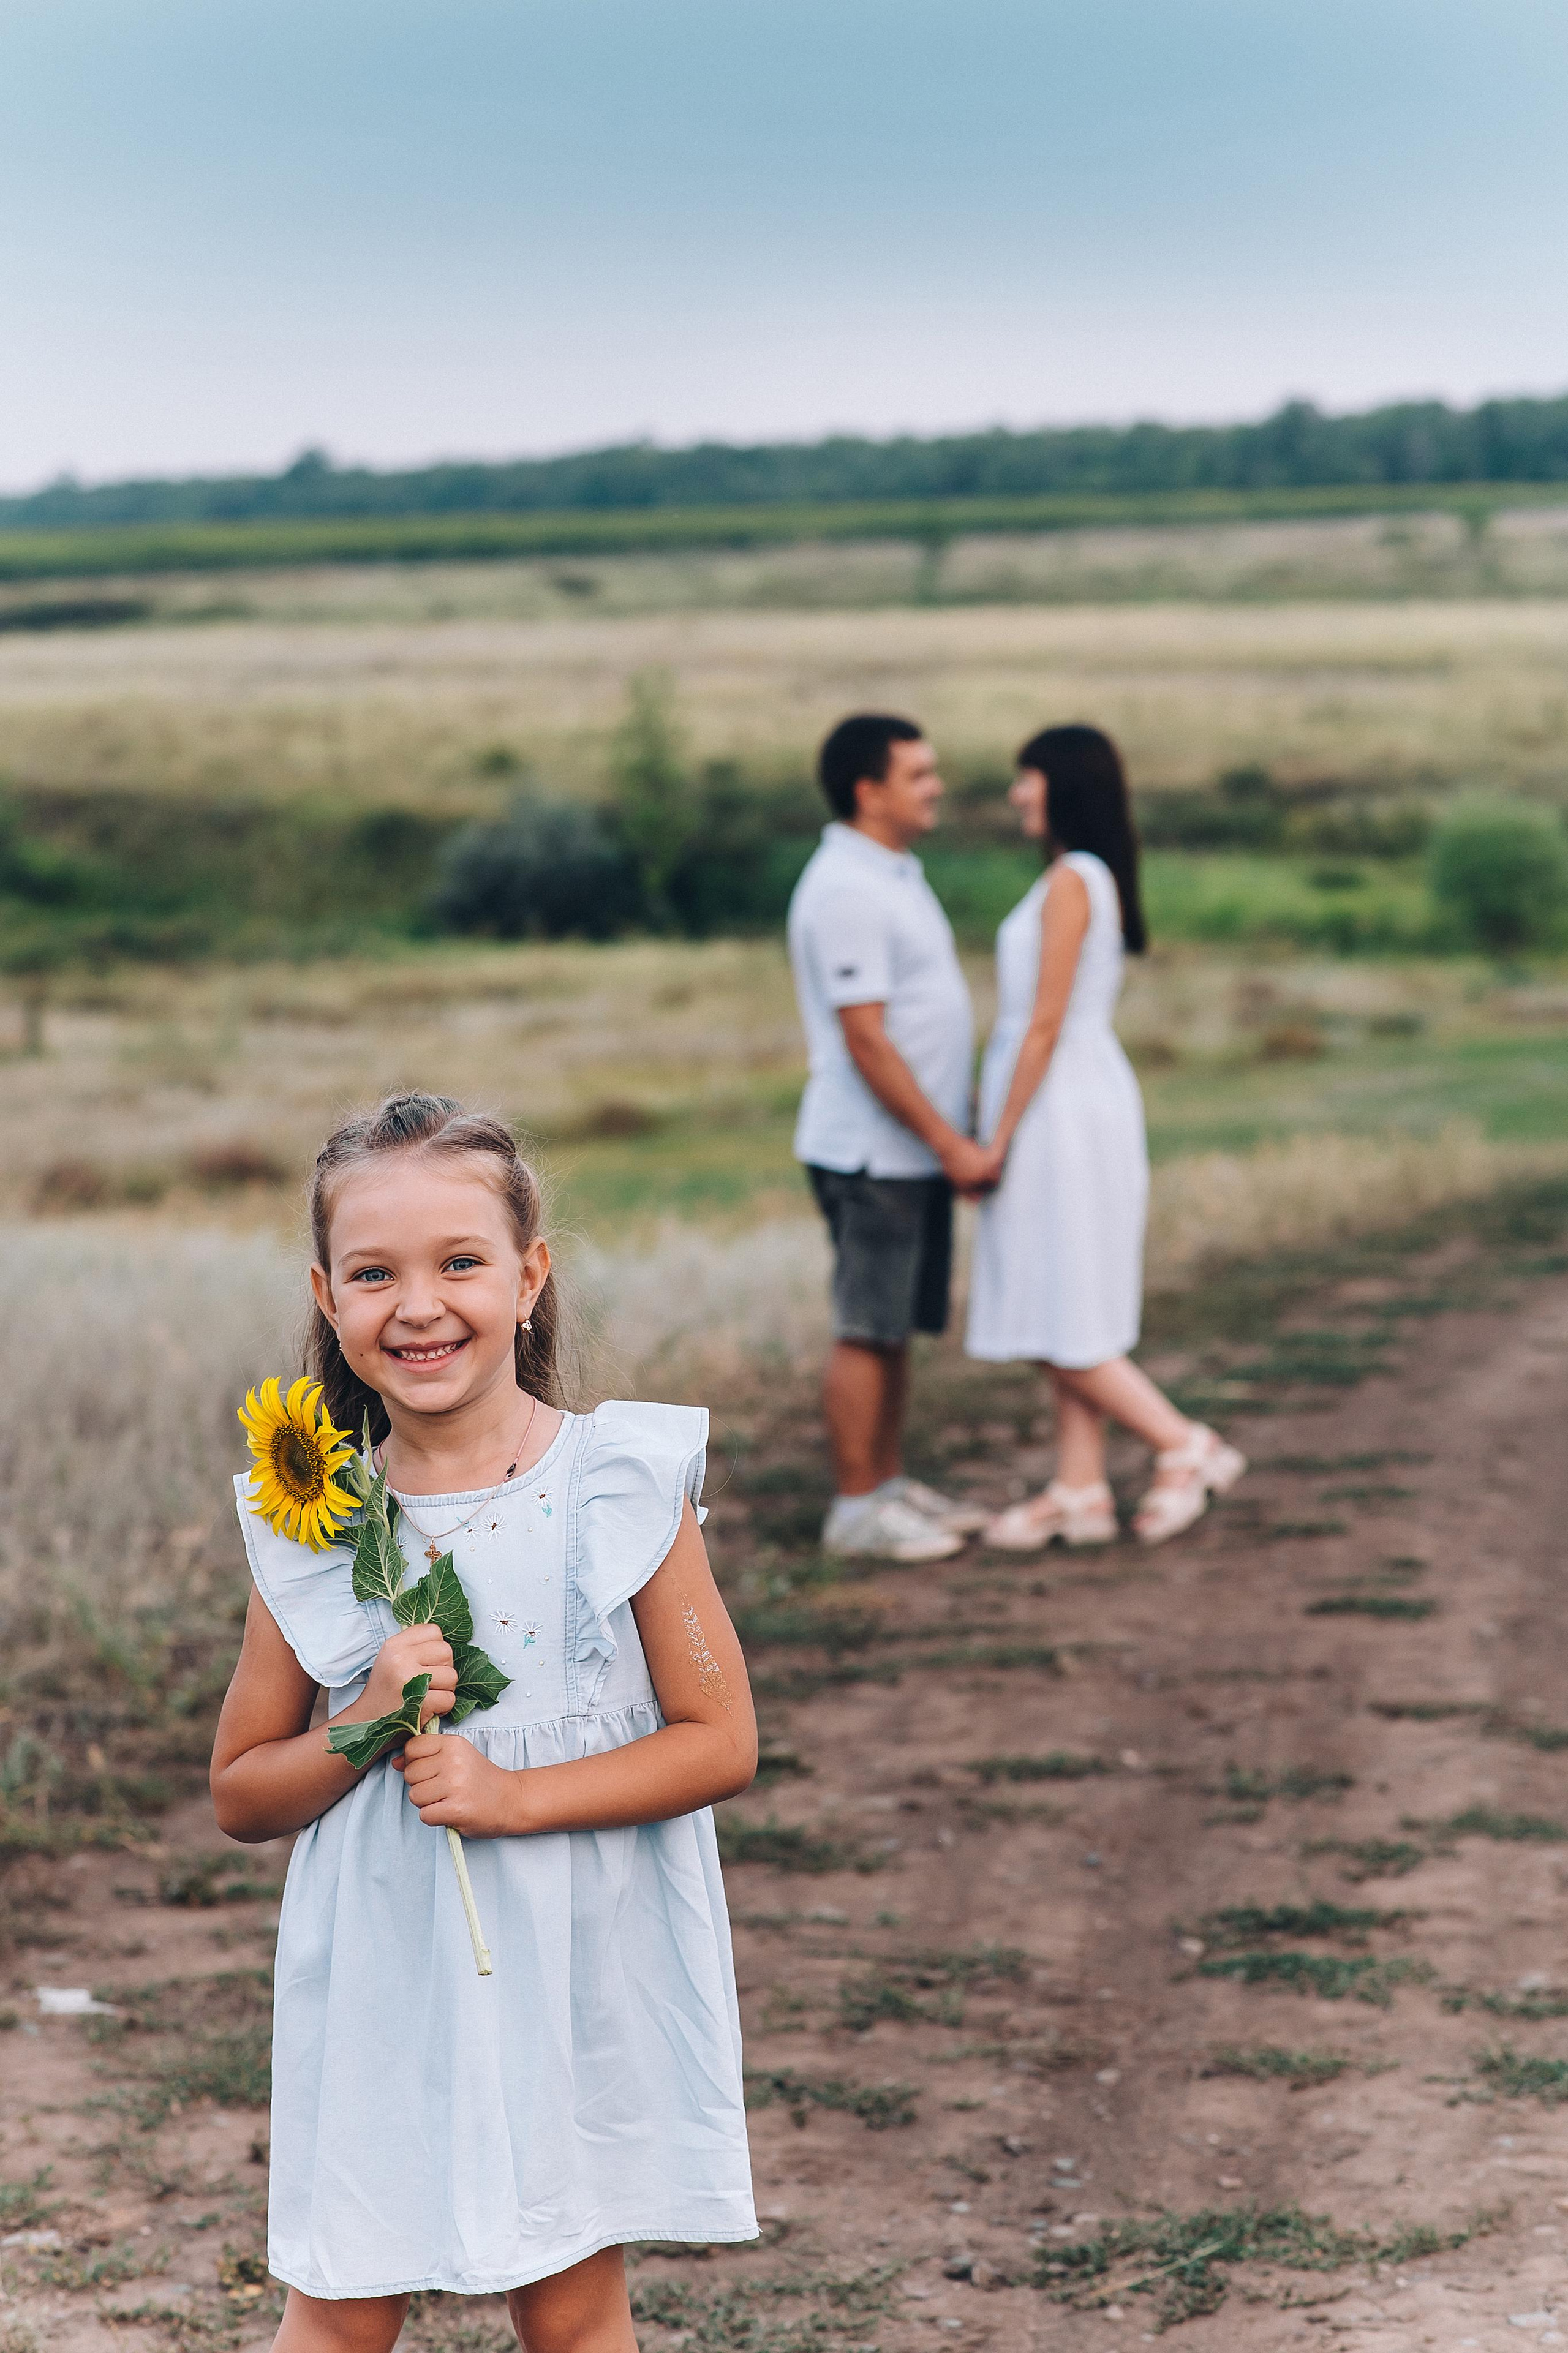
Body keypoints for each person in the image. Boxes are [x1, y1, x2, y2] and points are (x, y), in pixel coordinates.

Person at [210, 1091, 758, 2353]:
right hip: (386, 1973)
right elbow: (241, 1791)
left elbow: (717, 1740)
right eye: (374, 1272)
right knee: (342, 2303)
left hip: (571, 1965)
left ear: (529, 1277)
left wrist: (514, 1798)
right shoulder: (311, 1518)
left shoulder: (617, 1486)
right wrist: (364, 1723)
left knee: (569, 2310)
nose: (418, 1304)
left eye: (460, 1262)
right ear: (326, 1293)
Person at [965, 725, 1246, 1546]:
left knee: (1060, 1308)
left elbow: (1042, 1025)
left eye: (1028, 778)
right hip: (1074, 1097)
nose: (1017, 793)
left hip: (1061, 1108)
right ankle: (1080, 1485)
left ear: (1064, 785)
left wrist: (995, 1136)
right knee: (1065, 1293)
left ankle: (1184, 1444)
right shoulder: (1079, 876)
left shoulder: (1071, 883)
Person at [787, 713, 995, 1563]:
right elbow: (866, 1039)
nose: (935, 785)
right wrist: (950, 1140)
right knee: (866, 1326)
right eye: (919, 773)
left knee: (896, 1325)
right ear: (869, 790)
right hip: (873, 1149)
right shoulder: (845, 887)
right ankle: (854, 1507)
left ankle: (888, 1484)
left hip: (912, 1148)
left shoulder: (893, 873)